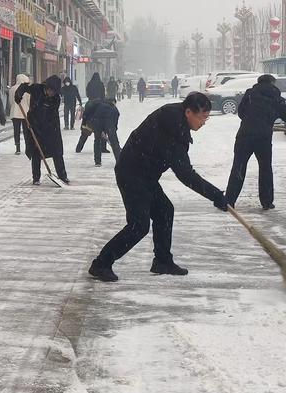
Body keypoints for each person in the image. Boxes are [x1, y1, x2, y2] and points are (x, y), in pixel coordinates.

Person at [88, 93, 229, 282]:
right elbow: (186, 175)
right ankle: (101, 264)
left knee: (164, 210)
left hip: (144, 174)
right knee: (139, 225)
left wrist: (215, 195)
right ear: (188, 112)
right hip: (132, 173)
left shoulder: (175, 118)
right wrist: (216, 196)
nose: (204, 122)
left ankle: (162, 261)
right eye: (202, 117)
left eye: (206, 117)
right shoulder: (172, 130)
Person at [226, 74, 286, 210]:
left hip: (244, 135)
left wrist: (250, 118)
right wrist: (269, 118)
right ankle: (267, 202)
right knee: (265, 168)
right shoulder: (276, 97)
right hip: (263, 138)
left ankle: (229, 200)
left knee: (238, 167)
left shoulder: (250, 94)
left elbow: (240, 112)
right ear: (272, 83)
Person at [15, 75, 69, 185]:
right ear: (47, 87)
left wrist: (53, 129)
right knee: (36, 152)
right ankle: (36, 178)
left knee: (57, 151)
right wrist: (18, 95)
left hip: (50, 126)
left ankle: (62, 176)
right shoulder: (37, 89)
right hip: (34, 125)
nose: (52, 94)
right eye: (51, 91)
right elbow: (24, 87)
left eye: (54, 92)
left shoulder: (56, 98)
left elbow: (53, 115)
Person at [82, 98, 121, 166]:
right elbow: (116, 119)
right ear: (113, 102)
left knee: (97, 140)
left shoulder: (98, 103)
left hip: (97, 121)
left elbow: (87, 111)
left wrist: (85, 122)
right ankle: (119, 160)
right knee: (114, 142)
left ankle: (97, 162)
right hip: (109, 123)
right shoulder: (114, 109)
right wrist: (113, 130)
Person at [77, 73, 109, 153]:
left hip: (90, 104)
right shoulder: (101, 84)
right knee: (102, 128)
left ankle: (79, 148)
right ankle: (103, 148)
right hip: (100, 106)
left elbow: (87, 93)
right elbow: (103, 94)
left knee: (86, 129)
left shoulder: (89, 84)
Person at [9, 73, 31, 156]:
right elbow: (29, 101)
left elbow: (11, 101)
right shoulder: (27, 89)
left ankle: (17, 148)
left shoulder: (12, 89)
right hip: (25, 113)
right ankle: (27, 147)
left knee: (16, 131)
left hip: (15, 113)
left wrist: (14, 106)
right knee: (26, 131)